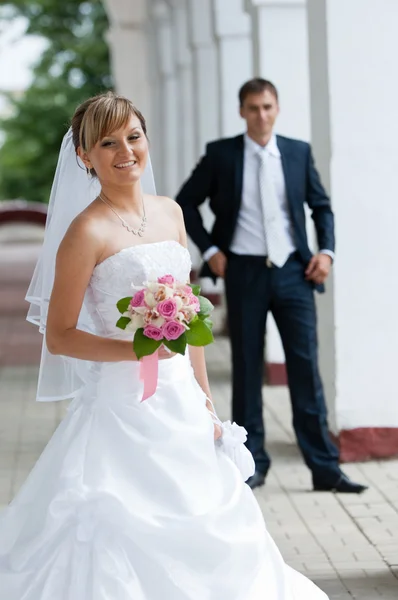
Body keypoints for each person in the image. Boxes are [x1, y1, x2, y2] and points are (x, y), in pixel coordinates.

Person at [0, 92, 333, 599]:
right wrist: (137, 351)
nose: (125, 151)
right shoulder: (84, 231)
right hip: (121, 406)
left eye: (133, 137)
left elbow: (190, 314)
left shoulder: (171, 212)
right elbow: (62, 334)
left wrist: (206, 399)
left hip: (181, 398)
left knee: (209, 507)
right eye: (107, 143)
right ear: (85, 156)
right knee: (118, 519)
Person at [176, 78, 368, 494]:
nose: (260, 115)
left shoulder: (297, 152)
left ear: (277, 108)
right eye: (252, 108)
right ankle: (252, 463)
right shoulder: (221, 155)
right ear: (241, 111)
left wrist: (327, 252)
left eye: (267, 107)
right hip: (243, 271)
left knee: (305, 367)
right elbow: (184, 202)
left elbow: (321, 207)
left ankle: (324, 468)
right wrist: (210, 251)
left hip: (294, 273)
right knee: (246, 367)